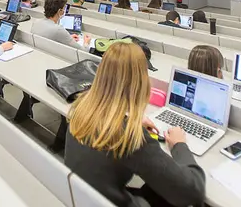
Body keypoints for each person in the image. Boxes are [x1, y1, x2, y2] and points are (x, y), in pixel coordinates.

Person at [65, 42, 205, 207]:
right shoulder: (129, 136)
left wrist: (129, 119)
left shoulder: (81, 108)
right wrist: (179, 145)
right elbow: (192, 192)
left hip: (86, 199)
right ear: (141, 81)